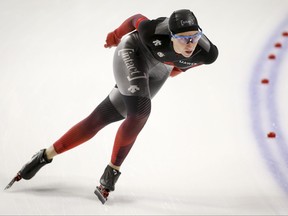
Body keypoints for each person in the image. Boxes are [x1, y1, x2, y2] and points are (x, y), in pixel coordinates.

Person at [5, 9, 218, 204]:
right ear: (171, 36)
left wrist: (178, 69)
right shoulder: (152, 32)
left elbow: (193, 62)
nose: (190, 44)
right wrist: (115, 37)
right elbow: (136, 18)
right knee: (140, 112)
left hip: (159, 67)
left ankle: (44, 155)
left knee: (99, 119)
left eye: (194, 37)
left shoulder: (207, 52)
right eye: (183, 39)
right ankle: (111, 174)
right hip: (133, 52)